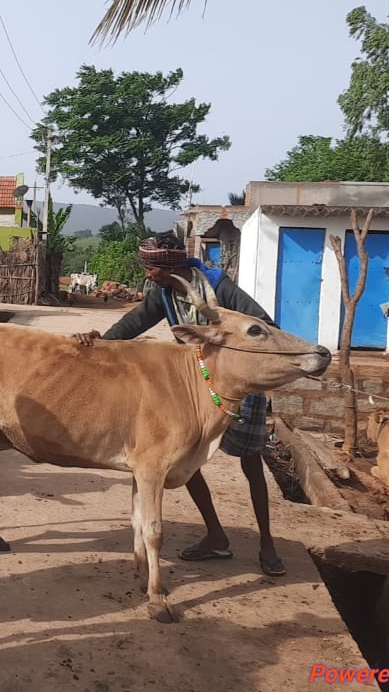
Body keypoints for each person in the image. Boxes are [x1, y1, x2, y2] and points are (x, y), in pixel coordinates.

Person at [72, 232, 287, 577]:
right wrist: (101, 343)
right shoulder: (165, 293)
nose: (147, 274)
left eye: (151, 267)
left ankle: (267, 543)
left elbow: (264, 327)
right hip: (194, 386)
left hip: (235, 386)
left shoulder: (220, 288)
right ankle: (216, 535)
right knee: (189, 460)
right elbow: (136, 322)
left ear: (171, 267)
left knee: (252, 463)